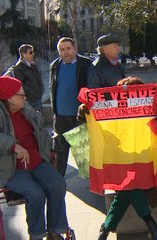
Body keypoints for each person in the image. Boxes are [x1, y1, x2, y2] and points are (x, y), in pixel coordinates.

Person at [0, 76, 71, 240]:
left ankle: (55, 231)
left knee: (58, 185)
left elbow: (40, 130)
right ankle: (37, 235)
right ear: (10, 97)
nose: (25, 98)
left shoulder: (24, 108)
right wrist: (13, 145)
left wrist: (49, 148)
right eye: (21, 95)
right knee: (36, 194)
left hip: (37, 160)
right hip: (12, 168)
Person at [78, 77, 157, 240]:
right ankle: (150, 223)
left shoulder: (155, 112)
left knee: (127, 189)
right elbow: (94, 133)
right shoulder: (113, 118)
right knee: (129, 186)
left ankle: (106, 229)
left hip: (146, 167)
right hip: (121, 168)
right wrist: (85, 112)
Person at [49, 37, 92, 177]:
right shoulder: (55, 66)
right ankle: (58, 182)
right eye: (62, 49)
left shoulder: (86, 64)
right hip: (60, 118)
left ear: (74, 48)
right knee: (60, 154)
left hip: (79, 118)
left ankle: (92, 185)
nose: (66, 52)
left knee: (83, 155)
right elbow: (53, 89)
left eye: (68, 48)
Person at [13, 44, 45, 112]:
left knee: (39, 119)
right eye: (30, 52)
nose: (32, 54)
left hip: (37, 98)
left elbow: (38, 79)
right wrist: (31, 93)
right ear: (23, 54)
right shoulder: (19, 68)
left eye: (33, 52)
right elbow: (21, 85)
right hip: (29, 100)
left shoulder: (33, 65)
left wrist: (41, 89)